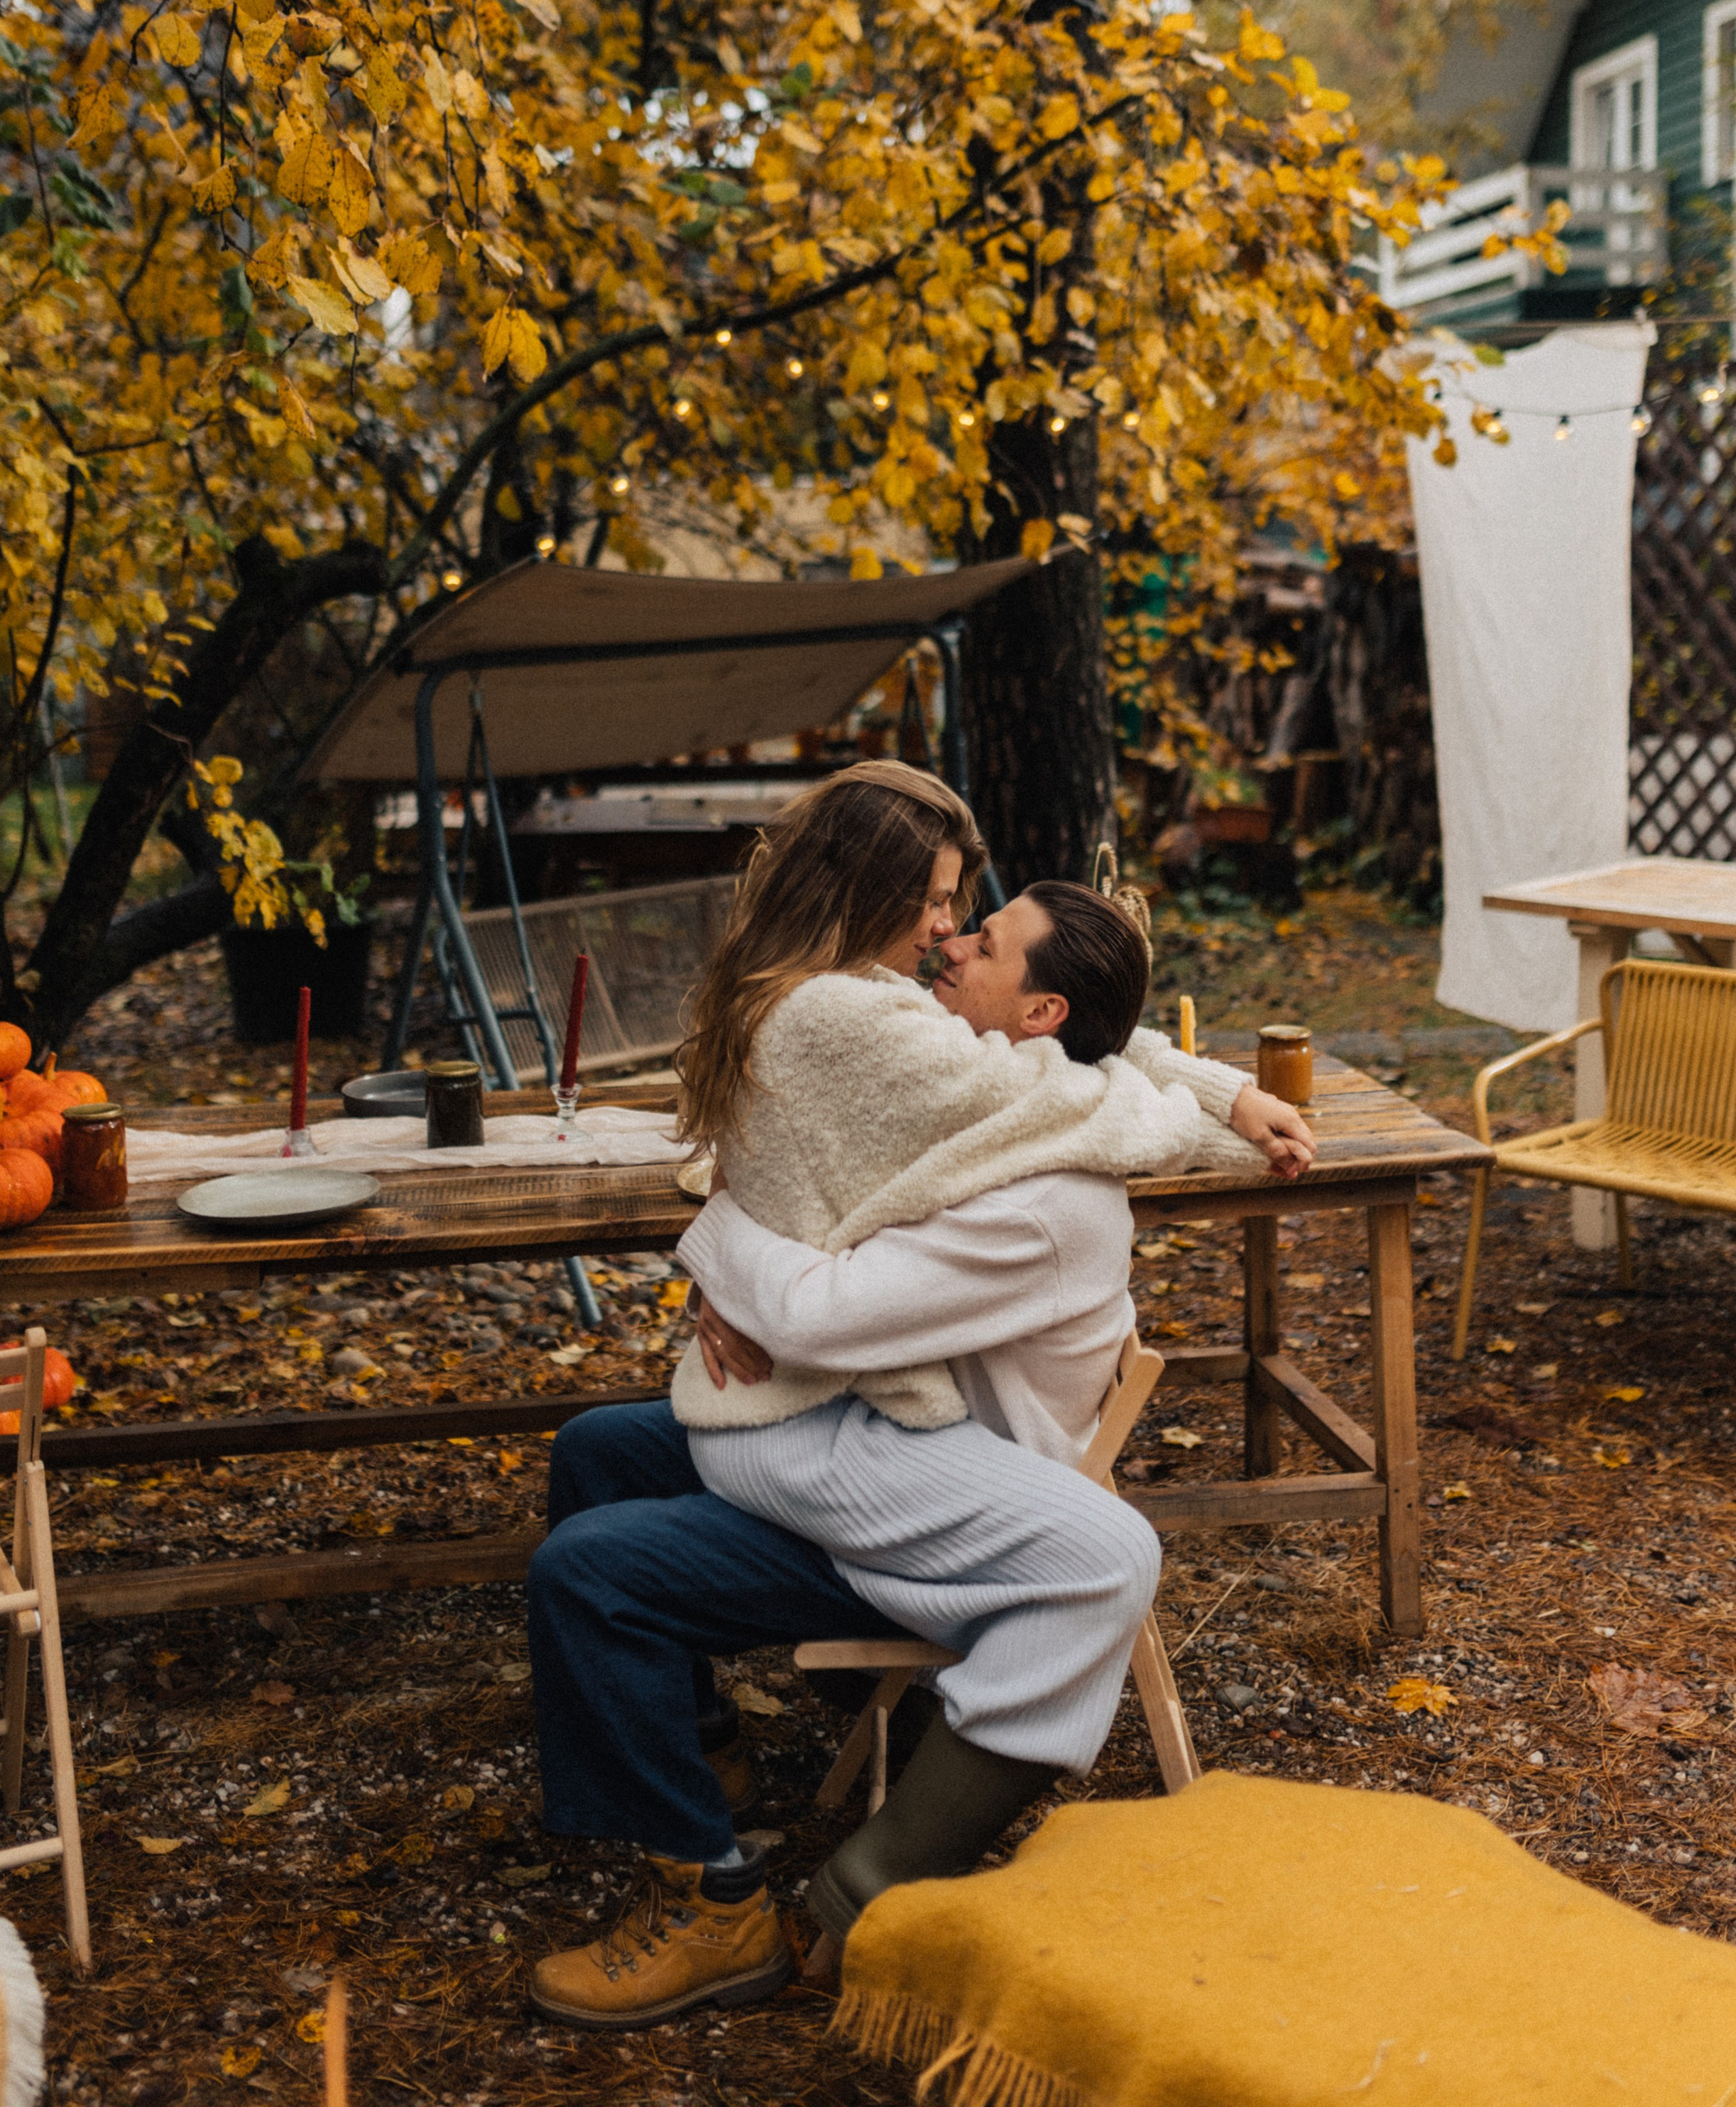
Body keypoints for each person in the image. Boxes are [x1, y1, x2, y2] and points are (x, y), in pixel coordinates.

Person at [525, 766, 1313, 2030]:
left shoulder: (1037, 1186)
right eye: (944, 905)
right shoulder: (895, 1033)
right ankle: (694, 1763)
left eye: (974, 925)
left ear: (1041, 1007)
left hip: (923, 1476)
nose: (947, 937)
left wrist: (724, 1239)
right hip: (873, 1429)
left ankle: (719, 1897)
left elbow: (1065, 1097)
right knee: (602, 1453)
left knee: (588, 1569)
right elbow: (1082, 1069)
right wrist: (1224, 1091)